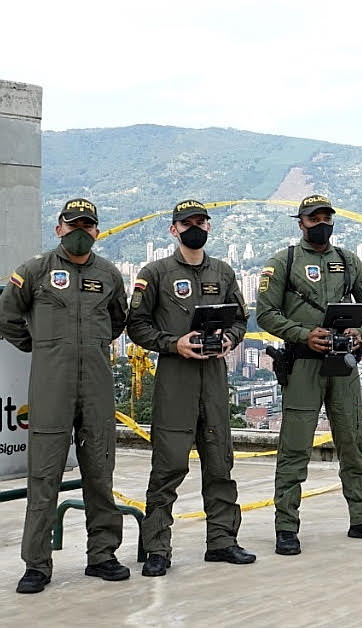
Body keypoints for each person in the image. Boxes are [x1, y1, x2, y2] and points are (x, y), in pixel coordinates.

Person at [0, 199, 130, 593]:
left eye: (88, 225)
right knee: (44, 477)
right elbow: (6, 314)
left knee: (99, 472)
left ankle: (102, 554)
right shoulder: (34, 271)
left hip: (96, 387)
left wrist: (89, 349)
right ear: (59, 228)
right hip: (50, 388)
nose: (80, 230)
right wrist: (41, 350)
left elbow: (118, 320)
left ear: (96, 231)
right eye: (73, 224)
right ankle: (37, 564)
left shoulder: (109, 275)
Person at [257, 194, 362, 555]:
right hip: (303, 364)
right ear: (300, 222)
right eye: (313, 218)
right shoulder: (284, 261)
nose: (321, 223)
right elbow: (265, 314)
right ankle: (286, 526)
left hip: (343, 364)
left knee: (353, 442)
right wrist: (304, 334)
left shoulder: (348, 261)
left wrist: (360, 331)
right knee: (295, 448)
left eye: (326, 217)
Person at [126, 200, 255, 576]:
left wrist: (230, 339)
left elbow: (241, 318)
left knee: (220, 463)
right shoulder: (156, 273)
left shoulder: (224, 271)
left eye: (201, 221)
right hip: (175, 378)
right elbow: (137, 325)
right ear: (174, 230)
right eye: (187, 223)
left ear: (209, 227)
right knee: (168, 466)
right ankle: (157, 549)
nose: (195, 227)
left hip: (214, 378)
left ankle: (222, 541)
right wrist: (173, 343)